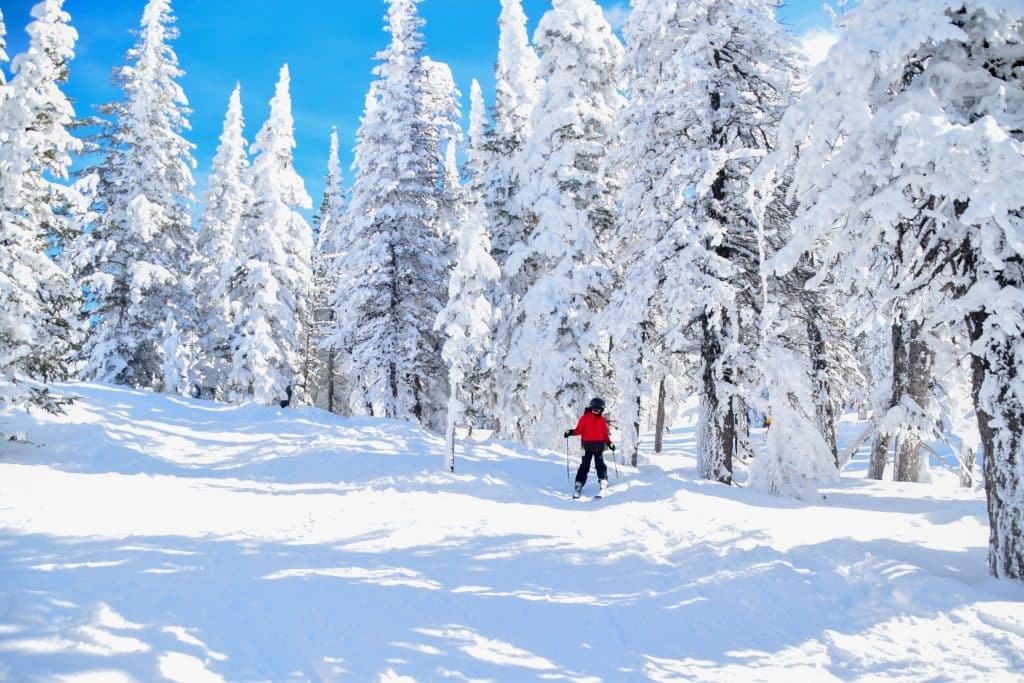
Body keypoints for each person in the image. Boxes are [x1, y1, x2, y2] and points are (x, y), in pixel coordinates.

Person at [564, 397, 615, 498]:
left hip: (599, 447)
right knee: (584, 465)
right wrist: (570, 432)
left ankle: (603, 481)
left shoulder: (602, 420)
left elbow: (605, 435)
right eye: (594, 409)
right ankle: (579, 483)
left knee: (600, 465)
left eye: (598, 410)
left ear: (601, 410)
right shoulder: (585, 418)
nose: (596, 411)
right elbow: (578, 430)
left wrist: (609, 443)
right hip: (587, 447)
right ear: (590, 408)